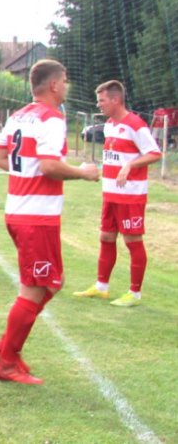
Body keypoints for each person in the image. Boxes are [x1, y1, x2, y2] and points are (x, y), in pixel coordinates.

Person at [0, 59, 99, 384]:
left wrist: (25, 174)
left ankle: (7, 345)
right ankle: (6, 362)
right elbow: (50, 167)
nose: (66, 86)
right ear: (53, 85)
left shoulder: (18, 116)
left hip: (19, 211)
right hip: (36, 217)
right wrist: (83, 172)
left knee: (52, 282)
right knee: (36, 289)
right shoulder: (52, 119)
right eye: (64, 81)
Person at [73, 80, 162, 307]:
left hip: (130, 195)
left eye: (102, 100)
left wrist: (130, 166)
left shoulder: (135, 124)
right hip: (110, 194)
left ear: (115, 100)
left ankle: (135, 293)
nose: (98, 104)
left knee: (132, 240)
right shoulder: (109, 125)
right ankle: (102, 287)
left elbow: (154, 153)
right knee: (106, 237)